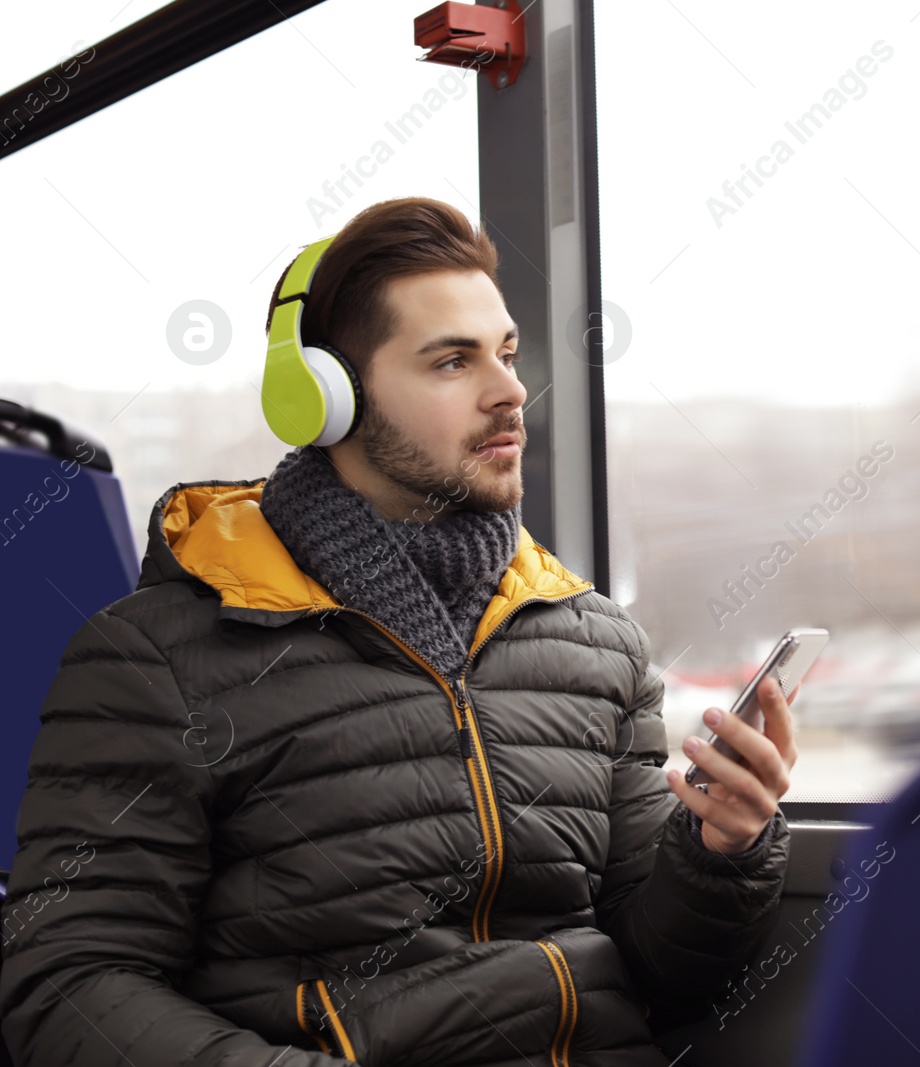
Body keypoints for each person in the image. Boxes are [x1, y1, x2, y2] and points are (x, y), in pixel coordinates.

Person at [0, 197, 795, 1066]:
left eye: (507, 352)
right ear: (327, 400)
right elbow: (67, 981)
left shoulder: (596, 645)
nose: (510, 391)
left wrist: (722, 851)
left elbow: (660, 974)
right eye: (452, 361)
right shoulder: (159, 659)